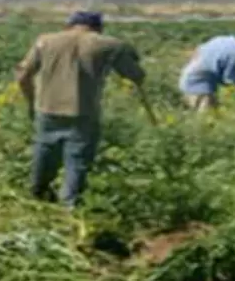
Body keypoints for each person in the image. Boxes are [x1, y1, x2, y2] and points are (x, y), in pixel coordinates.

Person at [14, 11, 146, 207]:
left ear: (69, 25)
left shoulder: (45, 41)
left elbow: (23, 75)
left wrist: (32, 102)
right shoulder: (109, 45)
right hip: (83, 112)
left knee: (44, 151)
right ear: (98, 28)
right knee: (77, 161)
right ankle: (69, 207)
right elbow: (136, 75)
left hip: (47, 109)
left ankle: (37, 196)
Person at [178, 32, 235, 111]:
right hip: (200, 88)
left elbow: (198, 51)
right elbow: (230, 80)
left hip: (187, 79)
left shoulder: (224, 39)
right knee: (208, 121)